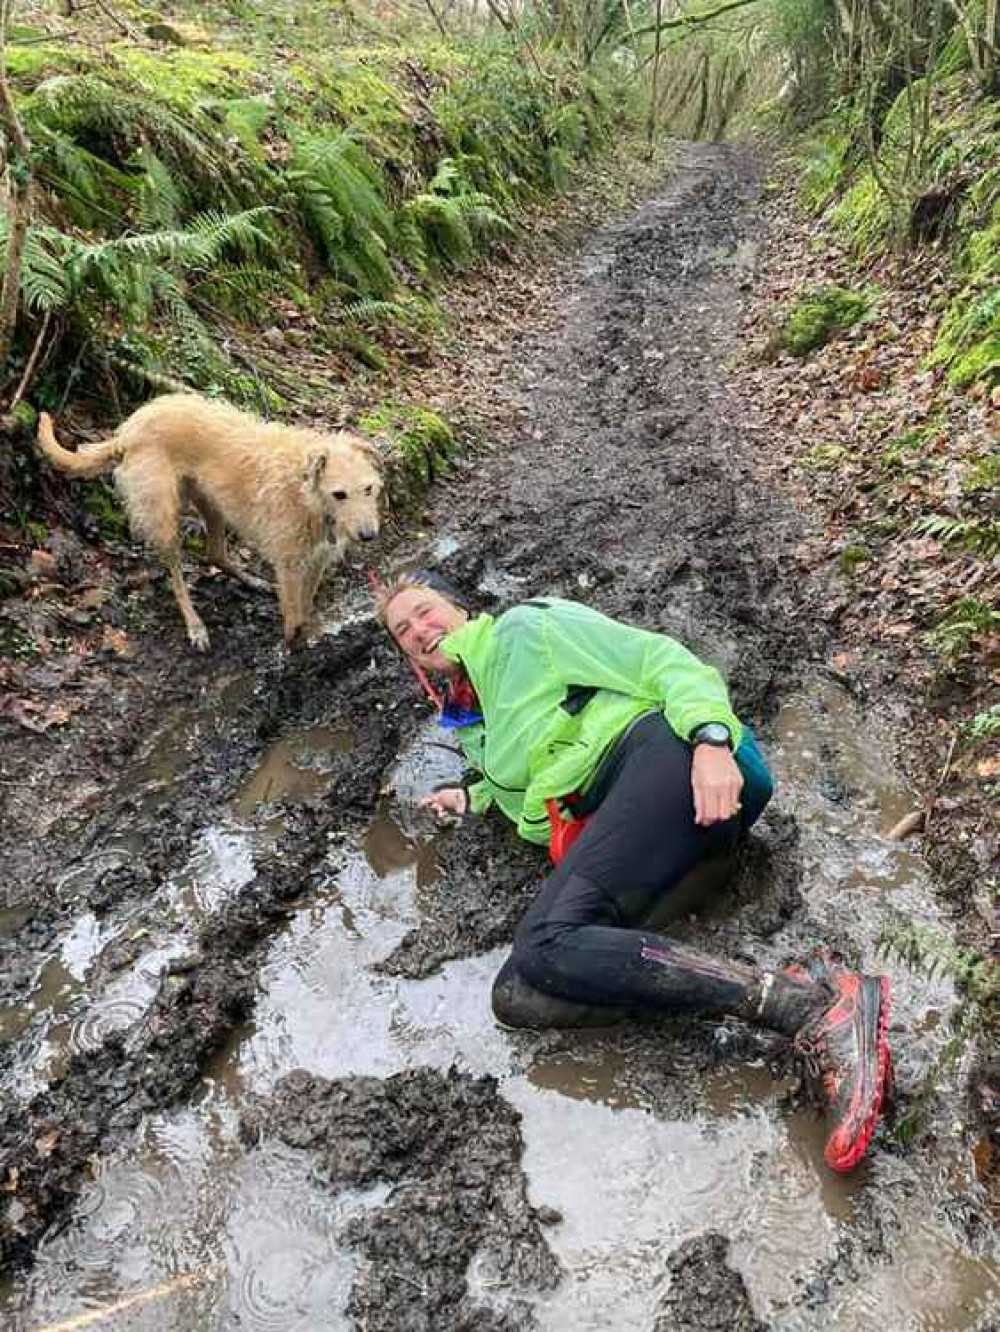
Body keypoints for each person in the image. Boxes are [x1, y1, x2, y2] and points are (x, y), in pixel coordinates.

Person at [379, 572, 893, 1173]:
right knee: (519, 995)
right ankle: (767, 974)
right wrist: (472, 798)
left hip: (670, 762)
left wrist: (708, 740)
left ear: (460, 608)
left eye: (424, 611)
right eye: (403, 631)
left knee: (546, 942)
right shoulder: (474, 716)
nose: (418, 631)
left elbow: (659, 659)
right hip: (652, 827)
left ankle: (809, 1010)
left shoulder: (525, 630)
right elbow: (527, 776)